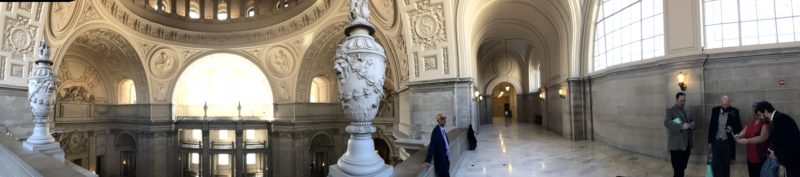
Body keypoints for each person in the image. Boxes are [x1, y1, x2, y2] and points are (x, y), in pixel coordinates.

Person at [754, 101, 800, 177]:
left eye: (760, 115)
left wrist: (776, 153)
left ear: (765, 111)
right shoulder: (776, 120)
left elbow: (792, 142)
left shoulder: (783, 119)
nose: (760, 118)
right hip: (789, 162)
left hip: (794, 162)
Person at [707, 96, 742, 177]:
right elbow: (711, 126)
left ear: (729, 103)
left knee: (726, 163)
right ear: (720, 104)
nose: (725, 107)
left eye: (727, 105)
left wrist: (732, 128)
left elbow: (739, 126)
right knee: (716, 163)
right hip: (716, 141)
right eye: (723, 106)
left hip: (727, 141)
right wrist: (709, 142)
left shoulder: (735, 111)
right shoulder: (715, 110)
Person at [734, 101, 771, 177]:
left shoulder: (764, 123)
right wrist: (738, 136)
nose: (754, 111)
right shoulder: (750, 123)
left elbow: (762, 137)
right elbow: (743, 133)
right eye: (753, 109)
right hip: (750, 156)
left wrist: (747, 140)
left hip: (760, 156)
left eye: (756, 109)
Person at [664, 92, 694, 177]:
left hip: (687, 144)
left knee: (683, 167)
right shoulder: (670, 111)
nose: (683, 102)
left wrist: (692, 125)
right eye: (681, 101)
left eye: (684, 101)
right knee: (678, 169)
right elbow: (667, 123)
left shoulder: (687, 110)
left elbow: (692, 120)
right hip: (676, 145)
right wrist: (681, 126)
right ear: (676, 100)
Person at [422, 113, 450, 177]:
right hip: (441, 163)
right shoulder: (436, 131)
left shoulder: (442, 130)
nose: (445, 120)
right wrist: (428, 160)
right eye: (442, 119)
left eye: (445, 118)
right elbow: (432, 145)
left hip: (445, 160)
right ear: (438, 121)